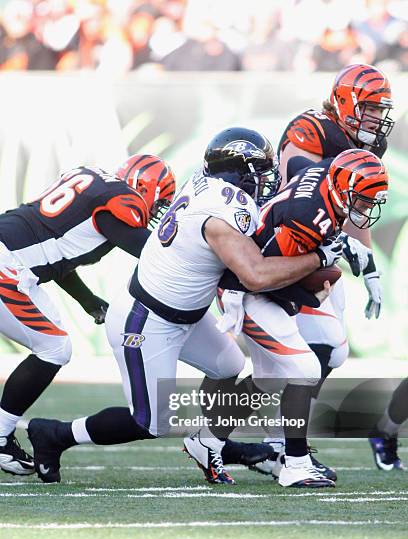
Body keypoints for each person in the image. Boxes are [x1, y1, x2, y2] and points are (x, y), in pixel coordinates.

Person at [26, 126, 342, 484]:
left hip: (187, 315)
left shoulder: (208, 186)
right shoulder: (223, 212)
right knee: (150, 423)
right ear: (239, 173)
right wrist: (317, 258)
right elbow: (254, 274)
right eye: (260, 172)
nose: (266, 180)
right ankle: (55, 434)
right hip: (145, 320)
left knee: (228, 365)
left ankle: (208, 443)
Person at [202, 148, 389, 487]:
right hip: (244, 289)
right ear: (343, 189)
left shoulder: (330, 174)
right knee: (303, 369)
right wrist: (308, 292)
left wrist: (342, 244)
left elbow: (304, 166)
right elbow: (263, 277)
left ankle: (208, 439)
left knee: (290, 369)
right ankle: (296, 463)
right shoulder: (307, 216)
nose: (365, 209)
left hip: (264, 276)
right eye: (361, 200)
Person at [249, 62, 395, 477]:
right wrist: (338, 247)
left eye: (380, 110)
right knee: (308, 356)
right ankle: (265, 445)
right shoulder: (310, 129)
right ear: (347, 103)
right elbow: (304, 184)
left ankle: (279, 443)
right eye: (370, 108)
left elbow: (357, 209)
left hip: (323, 249)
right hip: (286, 249)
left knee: (327, 353)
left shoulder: (363, 144)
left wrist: (368, 268)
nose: (376, 119)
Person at [0, 153, 175, 476]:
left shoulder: (94, 186)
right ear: (147, 188)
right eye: (161, 201)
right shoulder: (120, 202)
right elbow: (153, 254)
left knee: (54, 346)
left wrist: (88, 301)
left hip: (11, 257)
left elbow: (59, 255)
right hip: (8, 266)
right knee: (54, 348)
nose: (157, 209)